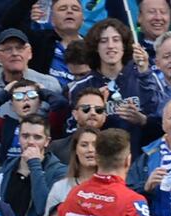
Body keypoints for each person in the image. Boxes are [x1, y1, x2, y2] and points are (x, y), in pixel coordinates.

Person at [67, 18, 161, 157]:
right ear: (96, 47)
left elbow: (162, 122)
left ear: (124, 46)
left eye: (116, 40)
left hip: (141, 163)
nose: (110, 46)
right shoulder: (81, 87)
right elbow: (71, 133)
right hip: (100, 162)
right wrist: (94, 112)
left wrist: (142, 120)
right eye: (103, 41)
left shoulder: (145, 77)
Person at [0, 115, 67, 216]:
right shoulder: (0, 174)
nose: (30, 142)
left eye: (37, 137)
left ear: (47, 141)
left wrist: (34, 165)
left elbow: (43, 209)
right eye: (25, 136)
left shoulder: (60, 172)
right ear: (19, 138)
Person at [0, 0, 84, 87]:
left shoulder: (93, 45)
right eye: (62, 9)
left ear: (83, 19)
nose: (69, 11)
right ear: (52, 19)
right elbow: (10, 26)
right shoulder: (39, 41)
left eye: (75, 9)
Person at [45, 127, 98, 216]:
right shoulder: (60, 187)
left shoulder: (112, 188)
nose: (90, 149)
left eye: (95, 145)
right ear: (76, 150)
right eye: (84, 145)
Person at [49, 88, 107, 164]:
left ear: (104, 117)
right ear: (75, 114)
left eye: (98, 110)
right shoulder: (57, 147)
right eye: (86, 108)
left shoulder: (115, 148)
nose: (93, 113)